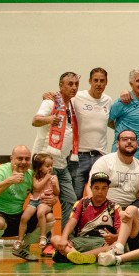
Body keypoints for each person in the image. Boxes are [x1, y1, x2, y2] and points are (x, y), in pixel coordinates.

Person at [31, 71, 82, 229]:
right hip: (45, 163)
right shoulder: (50, 102)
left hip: (61, 163)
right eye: (70, 84)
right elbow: (36, 120)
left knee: (70, 200)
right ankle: (45, 240)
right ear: (61, 85)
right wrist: (50, 119)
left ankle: (65, 238)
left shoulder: (71, 105)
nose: (74, 87)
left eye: (76, 84)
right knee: (46, 202)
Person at [51, 171, 131, 265]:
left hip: (103, 243)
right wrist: (64, 238)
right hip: (81, 241)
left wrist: (114, 237)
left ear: (108, 189)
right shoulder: (82, 203)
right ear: (91, 188)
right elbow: (71, 222)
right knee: (55, 239)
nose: (100, 192)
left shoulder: (114, 207)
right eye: (96, 188)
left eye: (103, 188)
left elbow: (121, 233)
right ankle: (79, 256)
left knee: (117, 246)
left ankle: (77, 256)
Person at [0, 146, 38, 262]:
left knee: (48, 218)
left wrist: (51, 199)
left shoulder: (30, 175)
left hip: (16, 218)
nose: (23, 162)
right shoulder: (1, 170)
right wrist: (10, 180)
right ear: (11, 159)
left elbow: (40, 194)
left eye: (27, 159)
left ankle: (21, 247)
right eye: (19, 159)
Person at [73, 67, 112, 192]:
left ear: (106, 82)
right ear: (90, 81)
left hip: (100, 156)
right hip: (80, 156)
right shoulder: (77, 97)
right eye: (96, 80)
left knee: (99, 196)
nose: (99, 84)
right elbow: (61, 99)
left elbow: (110, 122)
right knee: (75, 195)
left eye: (102, 81)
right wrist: (48, 96)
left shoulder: (108, 101)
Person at [15, 154, 57, 259]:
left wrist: (55, 185)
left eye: (51, 165)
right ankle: (20, 240)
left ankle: (43, 237)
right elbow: (37, 187)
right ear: (39, 167)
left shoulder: (53, 177)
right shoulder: (35, 176)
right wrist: (46, 178)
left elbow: (57, 192)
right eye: (47, 166)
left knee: (41, 213)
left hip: (45, 201)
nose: (50, 168)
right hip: (34, 201)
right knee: (24, 217)